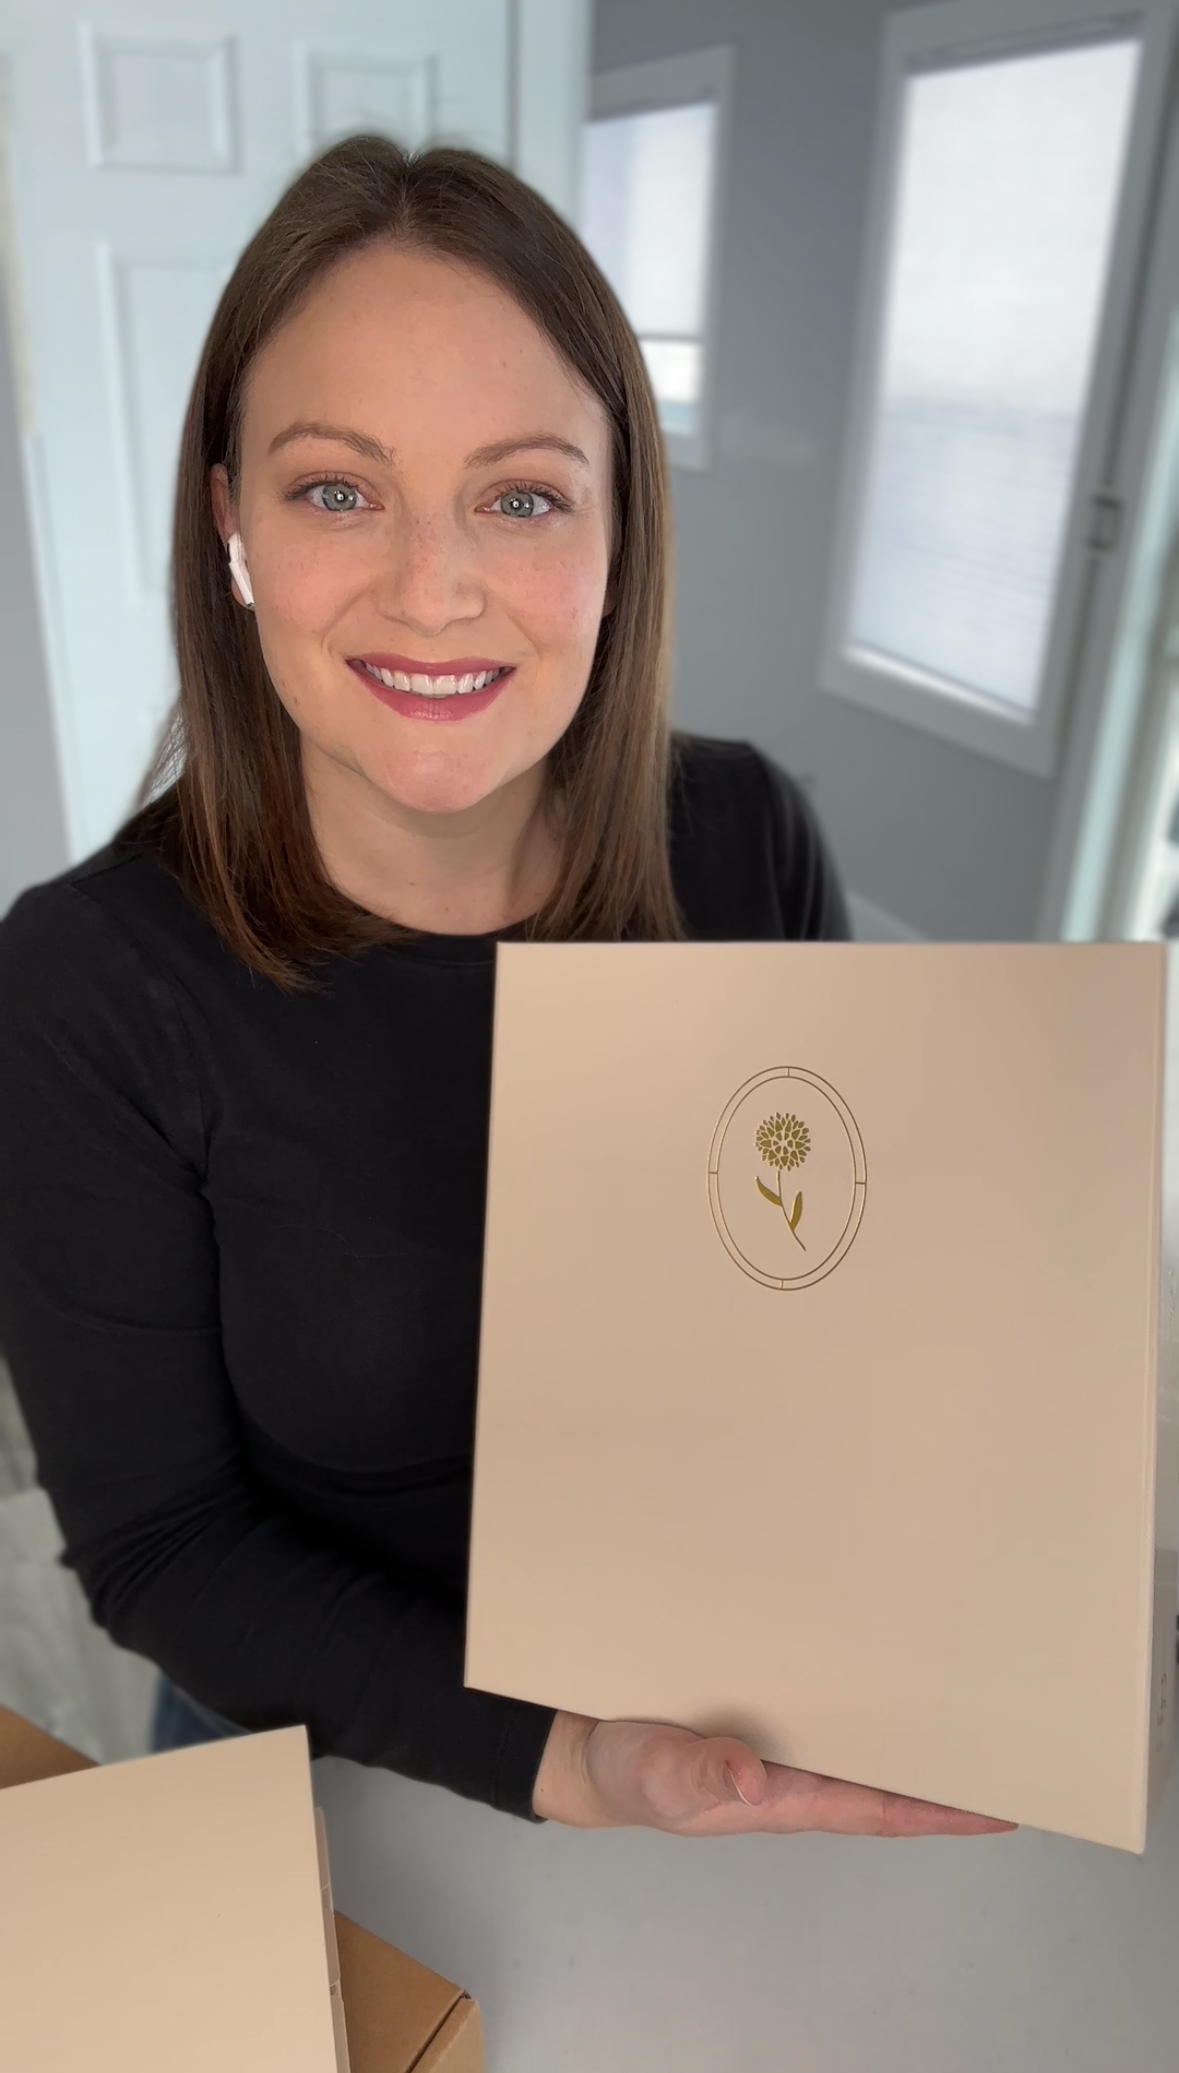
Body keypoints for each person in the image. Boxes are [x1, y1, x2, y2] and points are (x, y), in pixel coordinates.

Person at [0, 137, 1011, 1843]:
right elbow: (166, 1547)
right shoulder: (88, 988)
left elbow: (830, 1326)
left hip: (728, 1702)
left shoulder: (743, 836)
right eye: (337, 489)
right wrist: (575, 1761)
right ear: (228, 517)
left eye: (521, 494)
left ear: (619, 533)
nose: (433, 586)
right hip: (322, 1759)